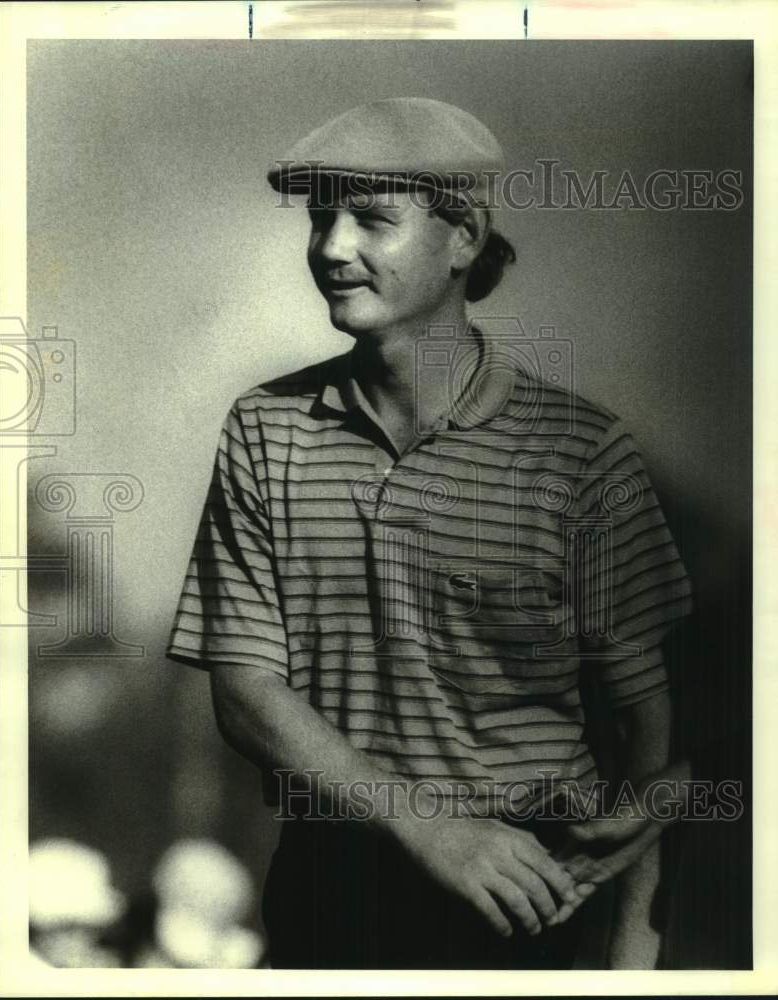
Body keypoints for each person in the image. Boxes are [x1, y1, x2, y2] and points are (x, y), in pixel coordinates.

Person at [166, 98, 693, 969]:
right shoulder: (266, 428)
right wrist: (436, 830)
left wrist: (631, 968)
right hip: (330, 894)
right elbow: (247, 693)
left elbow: (647, 746)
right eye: (321, 216)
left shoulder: (580, 455)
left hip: (531, 900)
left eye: (371, 218)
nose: (331, 248)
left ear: (463, 237)